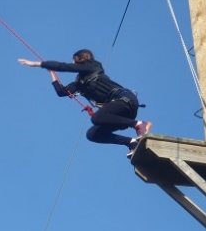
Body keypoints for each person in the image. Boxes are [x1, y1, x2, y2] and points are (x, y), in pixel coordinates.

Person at [18, 49, 152, 157]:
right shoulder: (79, 84)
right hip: (119, 112)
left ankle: (139, 124)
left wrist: (38, 64)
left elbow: (64, 67)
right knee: (92, 134)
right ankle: (131, 143)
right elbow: (61, 92)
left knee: (96, 118)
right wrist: (51, 72)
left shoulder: (94, 66)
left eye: (75, 62)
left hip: (125, 100)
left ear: (79, 59)